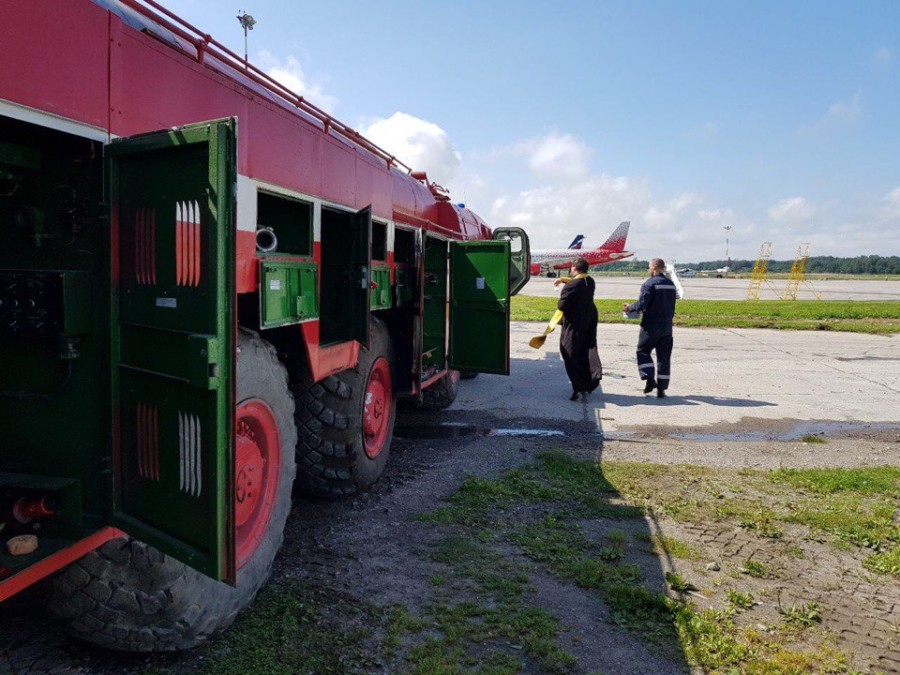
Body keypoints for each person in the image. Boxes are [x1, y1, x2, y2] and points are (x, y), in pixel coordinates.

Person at [622, 258, 677, 398]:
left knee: (643, 351)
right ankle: (661, 389)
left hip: (651, 326)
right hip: (667, 327)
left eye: (649, 267)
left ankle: (650, 378)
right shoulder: (671, 284)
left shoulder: (649, 284)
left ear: (655, 267)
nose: (648, 270)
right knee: (664, 357)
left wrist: (629, 308)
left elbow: (642, 304)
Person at [555, 257, 603, 400]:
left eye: (571, 267)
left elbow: (562, 306)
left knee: (569, 352)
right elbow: (579, 283)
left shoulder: (571, 286)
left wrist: (563, 289)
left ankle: (579, 385)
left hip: (574, 323)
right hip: (588, 321)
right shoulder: (590, 281)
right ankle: (588, 381)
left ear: (575, 268)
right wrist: (564, 280)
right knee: (585, 350)